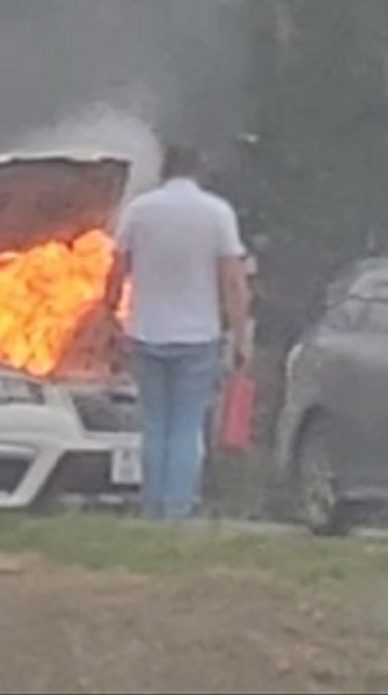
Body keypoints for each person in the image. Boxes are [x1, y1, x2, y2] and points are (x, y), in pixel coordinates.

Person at [102, 145, 251, 521]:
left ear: (163, 171)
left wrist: (110, 318)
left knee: (154, 425)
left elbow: (116, 273)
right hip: (199, 335)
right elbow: (233, 281)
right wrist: (240, 334)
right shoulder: (217, 213)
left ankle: (152, 507)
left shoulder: (139, 211)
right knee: (186, 425)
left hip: (146, 331)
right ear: (198, 172)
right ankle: (177, 509)